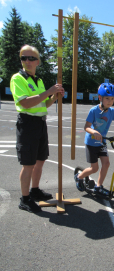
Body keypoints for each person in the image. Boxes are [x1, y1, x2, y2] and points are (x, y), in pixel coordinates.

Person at [10, 44, 65, 213]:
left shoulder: (38, 80)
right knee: (28, 164)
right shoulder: (18, 79)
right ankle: (24, 199)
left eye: (31, 58)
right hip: (27, 124)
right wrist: (48, 91)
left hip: (40, 123)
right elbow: (25, 103)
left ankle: (34, 191)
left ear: (38, 62)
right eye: (24, 58)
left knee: (40, 160)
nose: (27, 61)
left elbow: (43, 104)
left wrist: (54, 97)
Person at [74, 82, 114, 197]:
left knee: (107, 163)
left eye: (112, 99)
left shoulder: (112, 111)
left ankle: (98, 186)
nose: (110, 101)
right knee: (94, 168)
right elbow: (86, 127)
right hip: (91, 143)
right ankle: (79, 177)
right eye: (107, 98)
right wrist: (94, 132)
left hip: (102, 143)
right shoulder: (93, 111)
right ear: (100, 98)